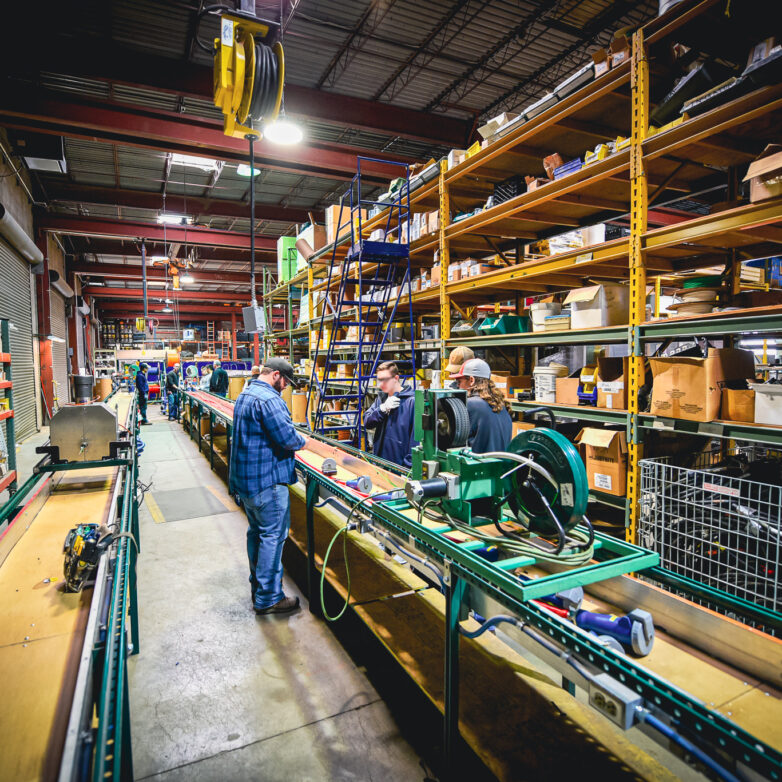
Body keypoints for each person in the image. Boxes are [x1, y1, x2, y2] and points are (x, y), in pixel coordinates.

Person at [229, 357, 313, 615]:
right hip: (267, 481)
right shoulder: (269, 399)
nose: (286, 387)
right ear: (276, 375)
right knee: (272, 537)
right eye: (286, 382)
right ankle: (268, 598)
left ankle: (259, 587)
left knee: (257, 533)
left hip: (247, 482)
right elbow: (287, 438)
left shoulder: (246, 393)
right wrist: (306, 441)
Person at [449, 358, 512, 453]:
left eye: (459, 382)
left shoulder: (469, 405)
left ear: (471, 380)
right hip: (503, 466)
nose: (458, 387)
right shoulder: (501, 405)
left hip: (479, 466)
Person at [363, 361, 417, 468]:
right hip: (380, 463)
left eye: (385, 380)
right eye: (379, 380)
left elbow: (415, 440)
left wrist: (408, 468)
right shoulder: (381, 399)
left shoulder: (412, 402)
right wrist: (382, 409)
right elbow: (367, 422)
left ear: (396, 378)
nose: (381, 384)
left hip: (400, 467)